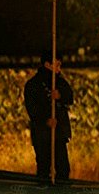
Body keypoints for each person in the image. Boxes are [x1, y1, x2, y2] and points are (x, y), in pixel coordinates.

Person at [23, 51, 74, 181]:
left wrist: (60, 95)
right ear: (47, 64)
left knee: (63, 168)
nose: (59, 69)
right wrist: (45, 120)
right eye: (57, 65)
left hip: (58, 133)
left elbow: (70, 98)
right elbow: (32, 108)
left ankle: (62, 191)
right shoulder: (33, 85)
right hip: (42, 133)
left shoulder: (60, 82)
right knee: (44, 167)